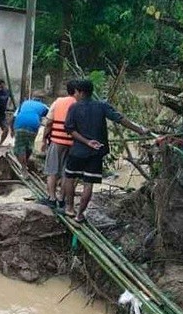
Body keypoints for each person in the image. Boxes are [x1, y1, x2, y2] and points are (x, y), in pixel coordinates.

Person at [62, 80, 149, 223]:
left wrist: (85, 141)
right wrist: (140, 130)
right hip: (96, 152)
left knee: (69, 178)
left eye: (76, 92)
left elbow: (70, 129)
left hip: (77, 151)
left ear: (81, 92)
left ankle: (69, 208)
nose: (75, 95)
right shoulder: (101, 106)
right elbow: (120, 119)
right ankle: (79, 215)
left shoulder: (74, 108)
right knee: (88, 184)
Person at [40, 79, 78, 209]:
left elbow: (49, 122)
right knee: (66, 173)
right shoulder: (80, 104)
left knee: (52, 170)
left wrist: (44, 140)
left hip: (57, 141)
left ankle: (51, 198)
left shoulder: (59, 102)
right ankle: (62, 199)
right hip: (73, 143)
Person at [11, 97, 49, 173]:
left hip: (20, 122)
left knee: (19, 147)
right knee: (29, 146)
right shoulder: (43, 106)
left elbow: (14, 117)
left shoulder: (24, 103)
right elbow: (52, 115)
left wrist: (11, 130)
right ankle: (25, 165)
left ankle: (24, 168)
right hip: (34, 123)